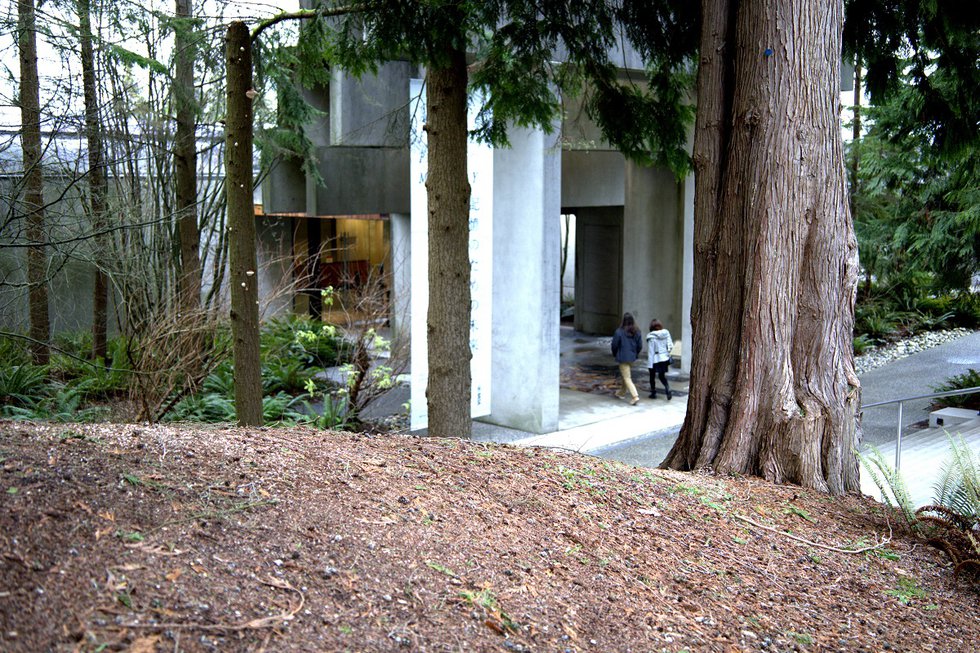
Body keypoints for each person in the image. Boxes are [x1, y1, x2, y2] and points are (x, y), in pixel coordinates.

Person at [611, 312, 643, 405]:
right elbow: (640, 345)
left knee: (627, 377)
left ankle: (635, 396)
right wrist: (635, 354)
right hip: (632, 357)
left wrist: (615, 354)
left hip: (622, 357)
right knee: (625, 375)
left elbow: (614, 345)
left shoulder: (619, 331)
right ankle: (621, 392)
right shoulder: (637, 331)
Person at [646, 319, 672, 400]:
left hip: (655, 359)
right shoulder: (666, 333)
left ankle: (653, 393)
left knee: (652, 376)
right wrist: (666, 353)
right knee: (661, 376)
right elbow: (670, 346)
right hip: (664, 358)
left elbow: (651, 352)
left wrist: (649, 364)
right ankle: (667, 388)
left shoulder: (651, 337)